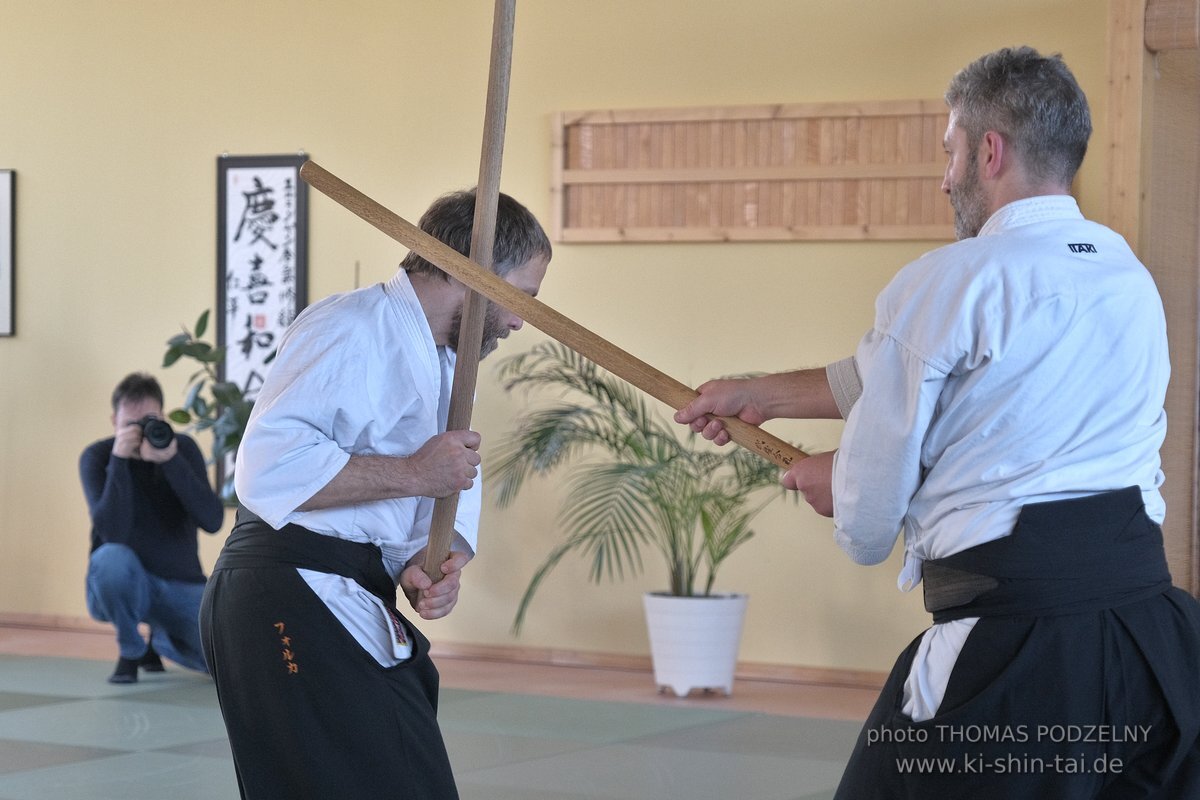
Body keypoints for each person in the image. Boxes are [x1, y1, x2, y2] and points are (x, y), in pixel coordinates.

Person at [676, 47, 1200, 798]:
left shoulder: (949, 280)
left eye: (950, 151)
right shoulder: (1123, 273)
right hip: (1153, 642)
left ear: (989, 151)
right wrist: (757, 395)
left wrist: (836, 478)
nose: (945, 176)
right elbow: (900, 375)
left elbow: (867, 506)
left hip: (1021, 651)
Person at [199, 188, 552, 800]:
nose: (520, 320)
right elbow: (267, 469)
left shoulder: (443, 360)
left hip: (338, 587)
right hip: (289, 588)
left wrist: (429, 559)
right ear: (471, 266)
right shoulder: (353, 327)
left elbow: (436, 484)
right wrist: (417, 474)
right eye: (521, 297)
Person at [79, 372, 224, 684]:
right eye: (130, 424)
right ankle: (130, 649)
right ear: (113, 421)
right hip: (120, 583)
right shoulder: (97, 456)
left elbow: (212, 521)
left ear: (163, 417)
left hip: (181, 586)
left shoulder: (181, 448)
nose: (141, 431)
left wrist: (170, 460)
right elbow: (111, 534)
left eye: (149, 421)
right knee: (111, 559)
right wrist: (120, 461)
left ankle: (161, 640)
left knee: (228, 658)